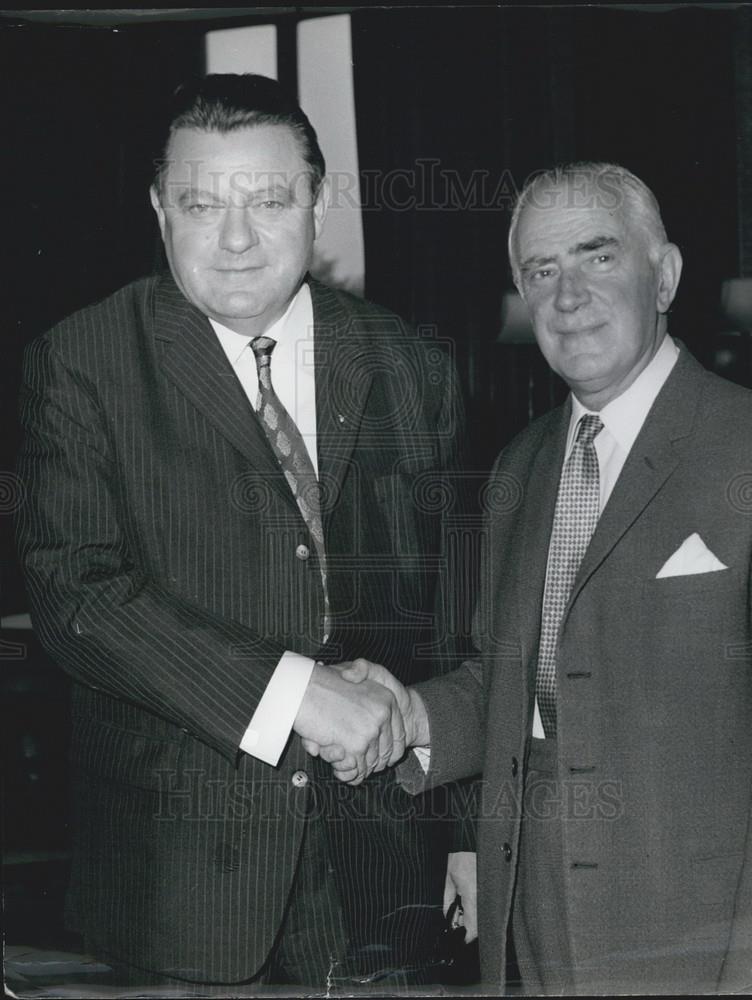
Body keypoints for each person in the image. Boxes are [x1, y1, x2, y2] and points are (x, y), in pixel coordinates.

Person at [15, 73, 476, 989]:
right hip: (180, 890)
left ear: (318, 203)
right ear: (159, 210)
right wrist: (298, 694)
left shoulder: (412, 364)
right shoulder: (81, 362)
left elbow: (459, 618)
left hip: (390, 880)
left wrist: (468, 836)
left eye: (268, 200)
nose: (234, 238)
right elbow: (78, 599)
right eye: (199, 203)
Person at [333, 162, 752, 994]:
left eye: (597, 258)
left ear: (663, 275)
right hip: (535, 914)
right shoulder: (519, 468)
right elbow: (506, 677)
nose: (566, 296)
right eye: (539, 271)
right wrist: (409, 712)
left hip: (710, 926)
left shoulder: (741, 442)